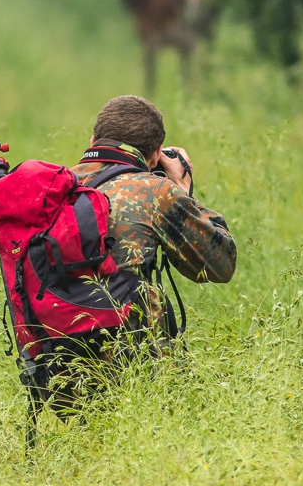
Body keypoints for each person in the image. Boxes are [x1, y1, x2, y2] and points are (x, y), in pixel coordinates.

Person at [49, 94, 236, 413]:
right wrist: (181, 188)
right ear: (154, 158)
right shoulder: (153, 190)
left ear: (92, 140)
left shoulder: (54, 189)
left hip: (58, 369)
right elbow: (220, 265)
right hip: (138, 378)